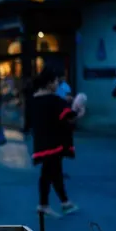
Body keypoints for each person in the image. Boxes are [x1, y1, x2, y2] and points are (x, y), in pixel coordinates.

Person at [30, 68, 79, 217]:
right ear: (49, 83)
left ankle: (45, 204)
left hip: (41, 142)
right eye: (56, 81)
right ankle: (64, 203)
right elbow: (68, 118)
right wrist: (77, 109)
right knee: (54, 172)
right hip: (54, 143)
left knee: (47, 172)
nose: (58, 84)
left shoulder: (35, 99)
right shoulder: (54, 100)